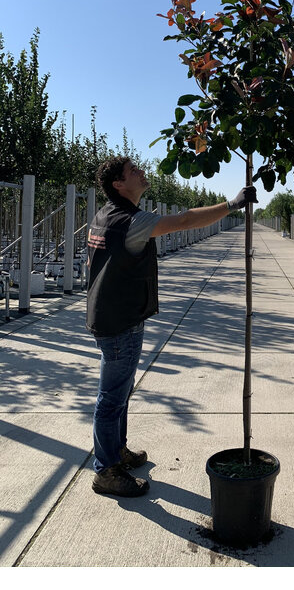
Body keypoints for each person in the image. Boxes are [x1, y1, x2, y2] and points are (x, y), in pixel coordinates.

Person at [87, 156, 257, 498]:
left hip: (110, 314)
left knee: (119, 394)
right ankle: (106, 470)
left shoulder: (105, 214)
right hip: (120, 320)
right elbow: (183, 220)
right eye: (132, 171)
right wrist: (233, 204)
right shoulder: (129, 220)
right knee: (111, 398)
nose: (140, 171)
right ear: (118, 185)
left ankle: (116, 451)